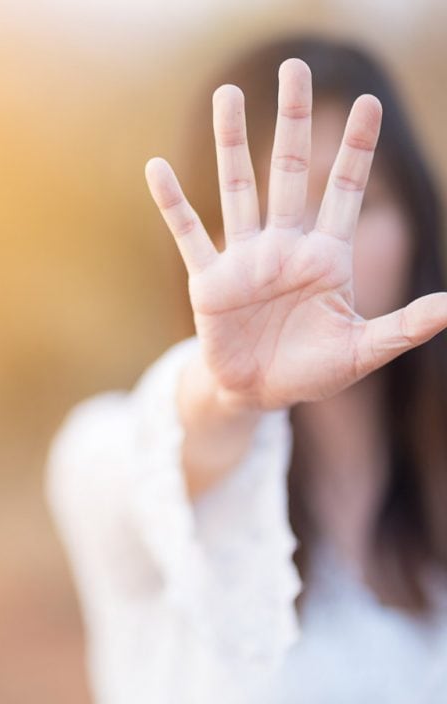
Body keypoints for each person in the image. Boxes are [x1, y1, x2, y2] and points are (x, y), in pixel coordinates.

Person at [44, 35, 447, 703]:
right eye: (268, 214)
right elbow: (142, 464)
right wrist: (228, 391)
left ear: (417, 229)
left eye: (357, 202)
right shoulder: (112, 464)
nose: (319, 248)